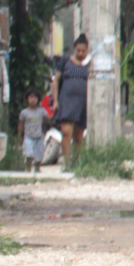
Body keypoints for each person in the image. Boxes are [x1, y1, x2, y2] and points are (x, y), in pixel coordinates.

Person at [52, 35, 90, 168]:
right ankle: (67, 164)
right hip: (67, 101)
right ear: (74, 49)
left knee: (78, 136)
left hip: (82, 103)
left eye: (83, 51)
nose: (80, 54)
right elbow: (55, 82)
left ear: (87, 51)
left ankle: (77, 163)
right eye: (78, 51)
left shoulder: (90, 65)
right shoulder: (65, 62)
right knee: (66, 132)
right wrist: (55, 101)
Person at [18, 89, 50, 173]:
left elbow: (49, 117)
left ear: (38, 99)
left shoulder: (41, 111)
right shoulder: (24, 112)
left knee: (39, 154)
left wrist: (54, 109)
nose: (33, 99)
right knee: (29, 154)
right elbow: (21, 125)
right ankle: (28, 168)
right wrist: (19, 136)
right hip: (28, 136)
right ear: (27, 99)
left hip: (39, 136)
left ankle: (37, 168)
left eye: (35, 97)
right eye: (31, 97)